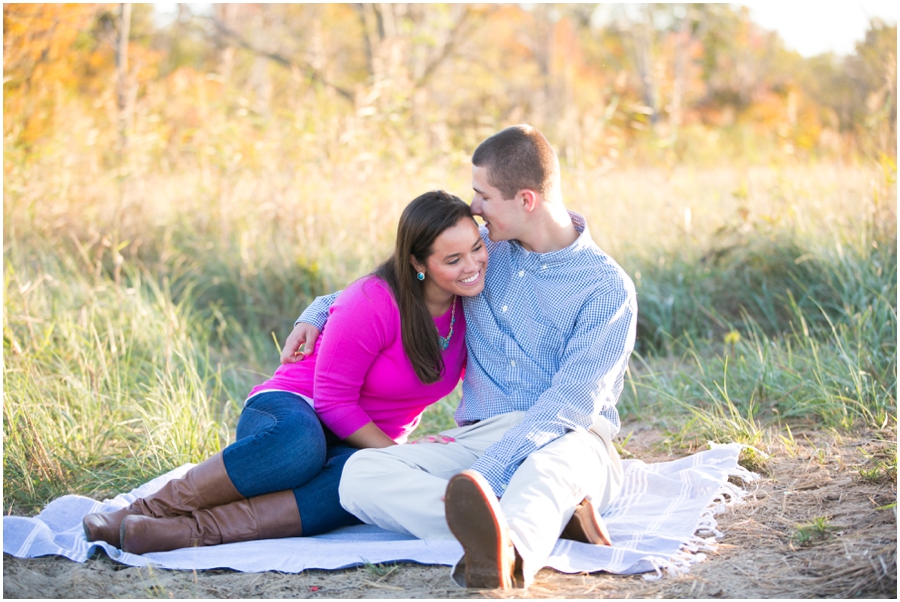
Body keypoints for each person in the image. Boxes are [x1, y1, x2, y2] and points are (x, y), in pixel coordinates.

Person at [283, 125, 638, 590]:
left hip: (571, 435)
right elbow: (389, 290)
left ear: (525, 200)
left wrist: (489, 473)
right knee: (360, 475)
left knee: (546, 470)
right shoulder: (480, 253)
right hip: (482, 433)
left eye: (483, 195)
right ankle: (545, 521)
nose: (473, 207)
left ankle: (509, 555)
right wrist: (316, 311)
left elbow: (570, 403)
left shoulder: (606, 288)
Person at [82, 190, 488, 554]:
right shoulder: (375, 299)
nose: (472, 265)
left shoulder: (471, 302)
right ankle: (145, 510)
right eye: (453, 259)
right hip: (296, 409)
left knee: (350, 487)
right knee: (301, 448)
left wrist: (389, 461)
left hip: (362, 443)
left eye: (476, 248)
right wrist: (396, 458)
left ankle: (183, 533)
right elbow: (333, 401)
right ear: (417, 262)